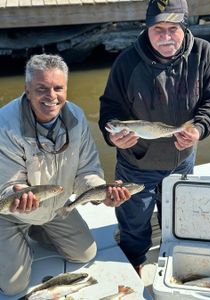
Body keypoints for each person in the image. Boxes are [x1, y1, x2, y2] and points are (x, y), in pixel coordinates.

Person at [98, 0, 210, 275]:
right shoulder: (126, 62)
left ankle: (173, 258)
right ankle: (134, 260)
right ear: (147, 28)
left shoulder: (203, 54)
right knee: (134, 222)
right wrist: (113, 136)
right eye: (159, 29)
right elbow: (109, 110)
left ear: (184, 26)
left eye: (173, 28)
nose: (166, 36)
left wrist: (198, 129)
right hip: (136, 163)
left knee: (178, 217)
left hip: (182, 160)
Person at [0, 54, 131, 296]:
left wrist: (102, 193)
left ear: (66, 89)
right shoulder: (5, 125)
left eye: (58, 88)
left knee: (85, 254)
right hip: (11, 214)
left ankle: (38, 229)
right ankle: (15, 238)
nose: (51, 96)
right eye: (41, 88)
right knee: (13, 287)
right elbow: (7, 186)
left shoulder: (77, 117)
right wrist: (14, 195)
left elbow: (87, 170)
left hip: (56, 205)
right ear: (27, 90)